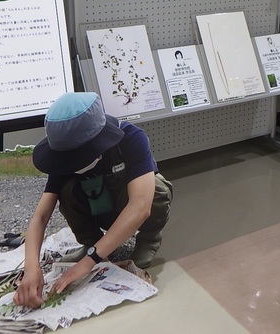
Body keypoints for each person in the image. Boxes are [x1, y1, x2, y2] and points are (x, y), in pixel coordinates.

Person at [14, 92, 173, 309]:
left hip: (127, 209)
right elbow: (41, 216)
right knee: (67, 191)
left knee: (158, 190)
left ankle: (149, 239)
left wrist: (89, 262)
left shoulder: (130, 139)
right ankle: (92, 241)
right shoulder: (63, 160)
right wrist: (31, 267)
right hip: (98, 208)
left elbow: (141, 205)